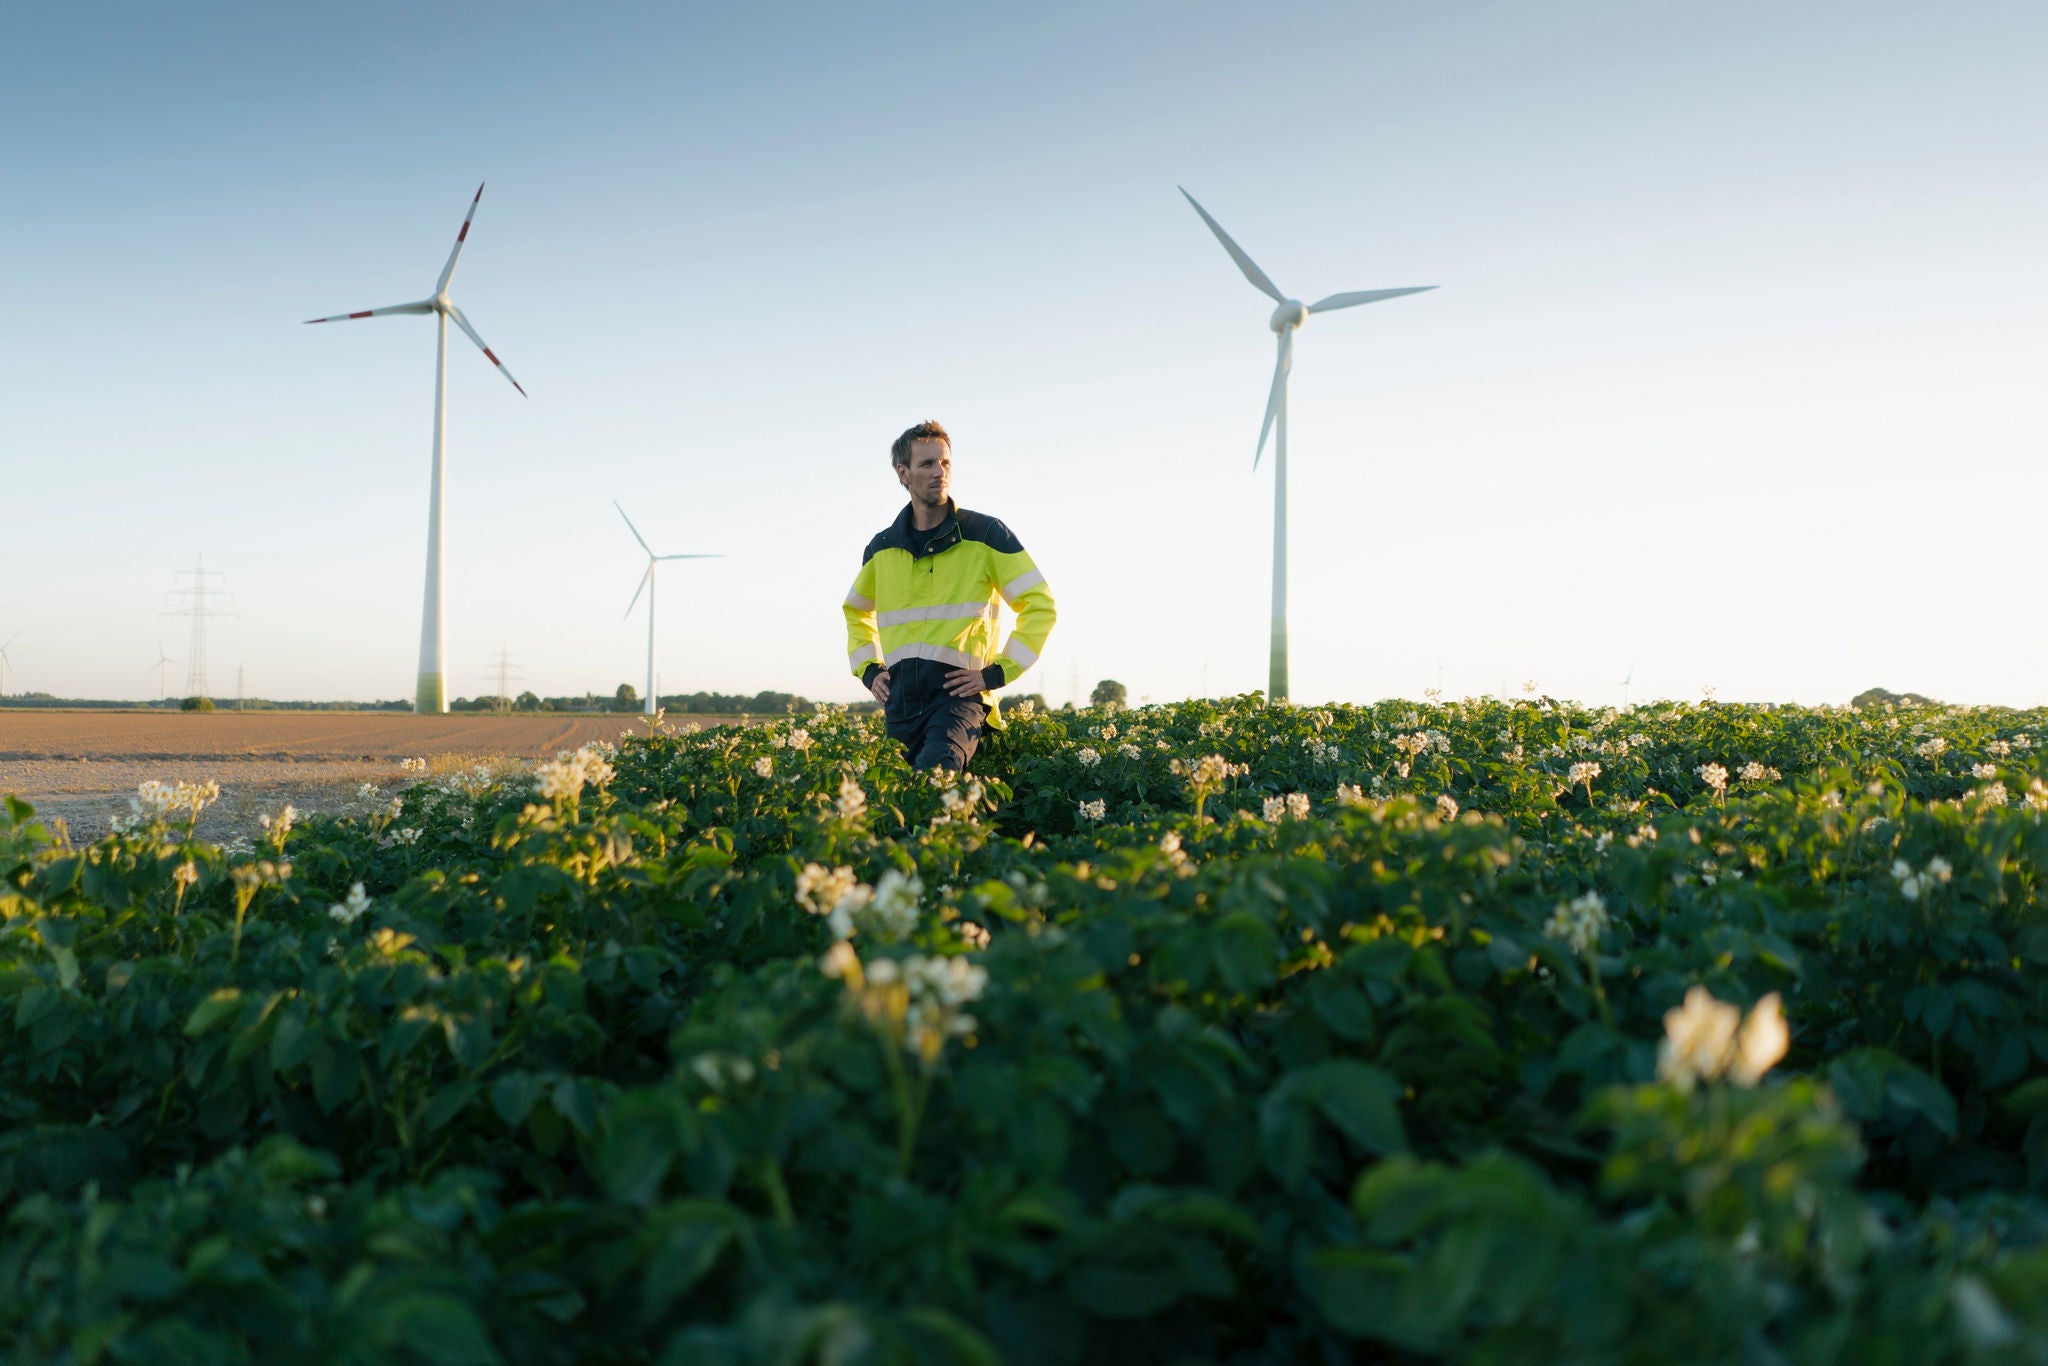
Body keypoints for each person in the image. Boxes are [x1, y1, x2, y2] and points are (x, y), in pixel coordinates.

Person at [843, 420, 1057, 771]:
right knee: (900, 801)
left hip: (960, 699)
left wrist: (995, 674)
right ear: (903, 473)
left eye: (945, 463)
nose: (939, 472)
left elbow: (1041, 605)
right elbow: (855, 611)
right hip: (901, 703)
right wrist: (869, 671)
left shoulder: (986, 534)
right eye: (927, 464)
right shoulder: (881, 548)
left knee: (936, 777)